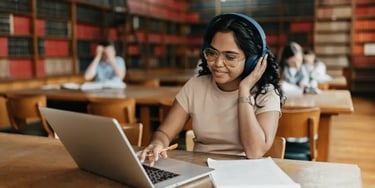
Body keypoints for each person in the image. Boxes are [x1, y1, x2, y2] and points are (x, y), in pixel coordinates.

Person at [138, 13, 283, 166]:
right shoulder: (196, 86)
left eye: (230, 57)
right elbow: (164, 132)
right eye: (212, 53)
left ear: (252, 60)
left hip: (244, 174)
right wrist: (158, 143)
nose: (218, 63)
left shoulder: (266, 94)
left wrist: (244, 90)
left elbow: (255, 152)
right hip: (201, 169)